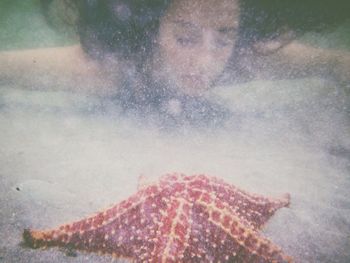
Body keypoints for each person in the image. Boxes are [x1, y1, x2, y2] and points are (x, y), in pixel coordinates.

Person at [1, 0, 349, 127]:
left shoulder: (244, 60)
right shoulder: (112, 68)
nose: (206, 60)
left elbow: (338, 64)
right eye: (185, 37)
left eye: (225, 35)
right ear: (151, 29)